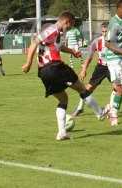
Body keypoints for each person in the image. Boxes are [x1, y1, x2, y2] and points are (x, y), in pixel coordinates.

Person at [22, 11, 105, 141]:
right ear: (67, 22)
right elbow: (34, 43)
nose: (69, 28)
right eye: (70, 26)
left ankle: (62, 132)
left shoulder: (57, 33)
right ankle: (100, 113)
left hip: (44, 72)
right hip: (55, 66)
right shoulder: (52, 29)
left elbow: (59, 47)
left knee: (63, 100)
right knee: (82, 88)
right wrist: (28, 63)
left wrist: (72, 51)